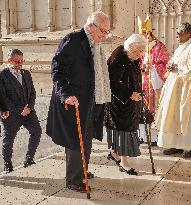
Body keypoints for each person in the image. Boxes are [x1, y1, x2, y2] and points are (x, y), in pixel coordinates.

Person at [46, 11, 111, 192]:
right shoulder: (74, 40)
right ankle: (73, 179)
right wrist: (66, 94)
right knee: (76, 139)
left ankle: (82, 170)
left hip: (90, 99)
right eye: (103, 31)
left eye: (107, 31)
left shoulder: (95, 44)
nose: (105, 35)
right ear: (91, 26)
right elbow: (57, 68)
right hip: (73, 100)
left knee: (87, 137)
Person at [154, 22, 191, 158]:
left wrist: (176, 68)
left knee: (188, 117)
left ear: (188, 33)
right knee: (174, 116)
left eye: (179, 33)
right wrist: (170, 65)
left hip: (187, 88)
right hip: (175, 88)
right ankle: (177, 145)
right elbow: (173, 64)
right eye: (176, 33)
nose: (177, 35)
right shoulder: (180, 48)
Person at [104, 34, 147, 175]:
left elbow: (134, 77)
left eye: (142, 51)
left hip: (130, 101)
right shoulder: (118, 58)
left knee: (122, 129)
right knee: (123, 130)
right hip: (119, 102)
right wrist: (129, 94)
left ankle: (115, 153)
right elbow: (112, 82)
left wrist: (138, 92)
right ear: (130, 47)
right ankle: (124, 162)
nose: (140, 54)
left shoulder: (131, 56)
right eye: (138, 51)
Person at [0, 49, 42, 173]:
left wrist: (30, 107)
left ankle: (29, 158)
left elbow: (32, 92)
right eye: (16, 61)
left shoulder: (26, 73)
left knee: (37, 131)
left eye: (21, 61)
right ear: (9, 60)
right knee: (8, 140)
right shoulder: (2, 76)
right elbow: (3, 98)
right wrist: (19, 110)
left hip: (28, 112)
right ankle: (8, 164)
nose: (20, 64)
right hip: (10, 114)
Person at [138, 16, 170, 145]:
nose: (143, 37)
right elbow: (139, 63)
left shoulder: (159, 47)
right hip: (144, 82)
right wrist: (142, 66)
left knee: (155, 110)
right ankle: (143, 137)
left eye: (145, 34)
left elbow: (165, 63)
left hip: (155, 84)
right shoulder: (143, 48)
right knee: (143, 109)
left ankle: (155, 138)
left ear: (149, 33)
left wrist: (154, 66)